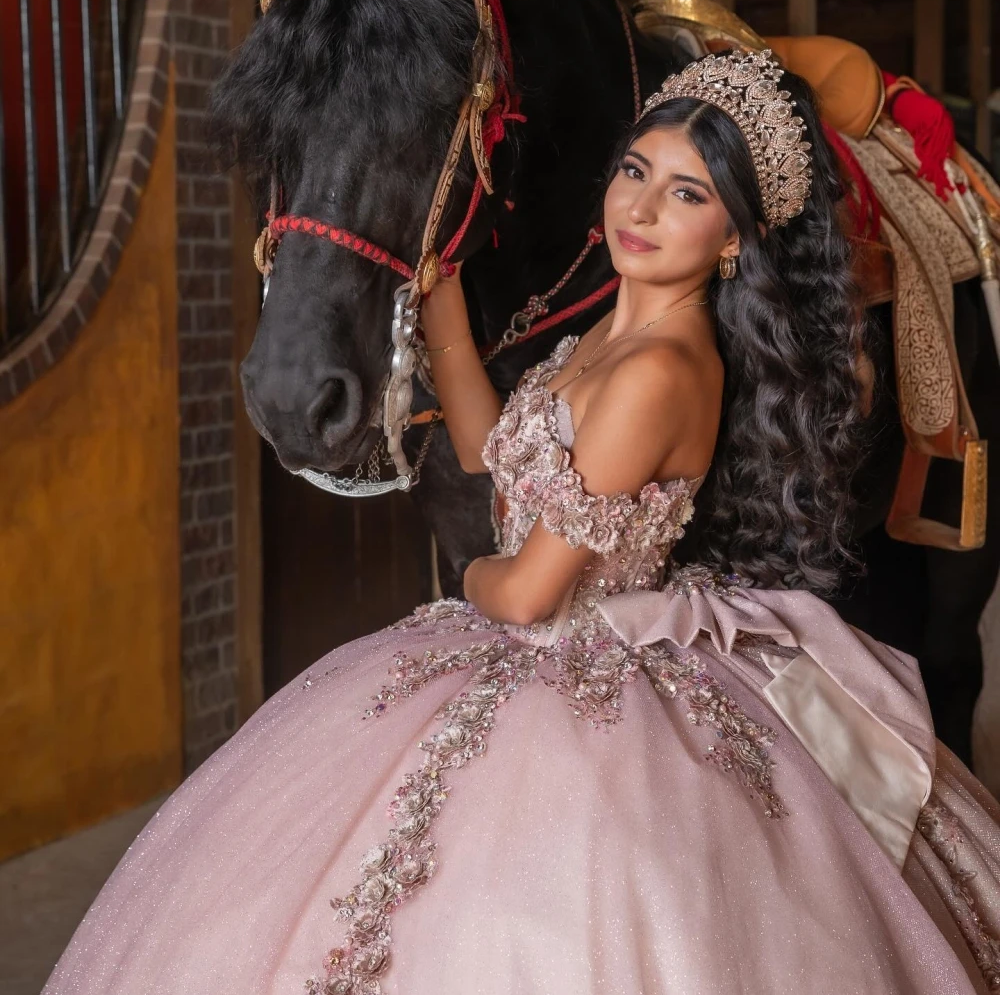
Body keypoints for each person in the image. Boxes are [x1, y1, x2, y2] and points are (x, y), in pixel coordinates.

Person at [43, 50, 1000, 995]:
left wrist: (462, 584)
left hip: (578, 648)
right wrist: (448, 311)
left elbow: (533, 590)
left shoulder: (660, 371)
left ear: (737, 238)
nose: (641, 209)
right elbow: (491, 450)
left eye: (688, 195)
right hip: (548, 630)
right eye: (635, 171)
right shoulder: (604, 336)